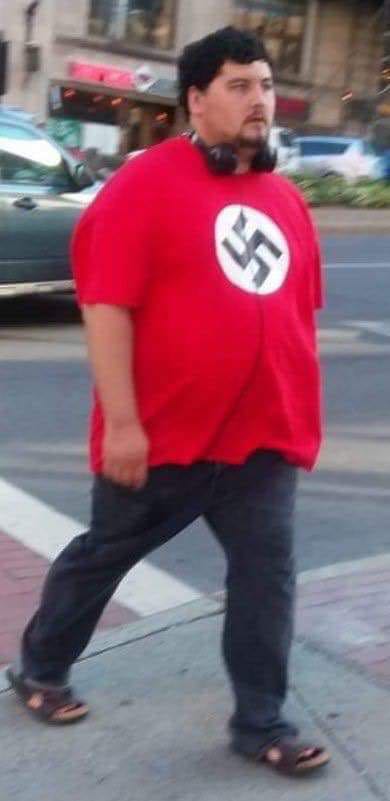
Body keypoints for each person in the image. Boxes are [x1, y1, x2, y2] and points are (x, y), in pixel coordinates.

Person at [7, 27, 330, 777]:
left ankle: (262, 721)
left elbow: (293, 316)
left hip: (260, 440)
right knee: (101, 558)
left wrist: (295, 409)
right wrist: (122, 423)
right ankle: (42, 666)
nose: (261, 101)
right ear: (196, 99)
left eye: (266, 86)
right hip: (164, 437)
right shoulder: (144, 185)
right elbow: (107, 306)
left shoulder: (285, 198)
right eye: (240, 87)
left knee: (267, 574)